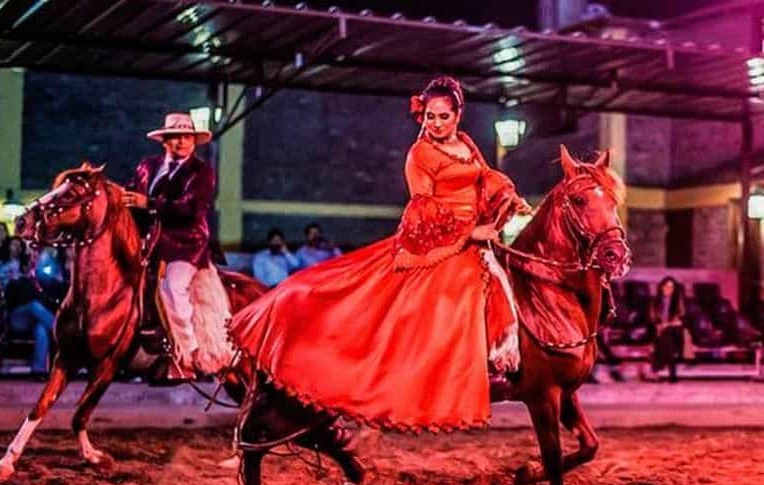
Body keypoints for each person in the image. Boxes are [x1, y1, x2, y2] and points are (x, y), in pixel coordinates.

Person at [228, 76, 532, 431]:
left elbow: (484, 180)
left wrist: (505, 198)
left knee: (510, 285)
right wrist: (469, 231)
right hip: (441, 242)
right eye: (430, 117)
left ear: (458, 114)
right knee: (459, 293)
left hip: (478, 239)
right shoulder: (420, 154)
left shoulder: (466, 143)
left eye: (443, 117)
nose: (435, 124)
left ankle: (508, 369)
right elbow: (423, 210)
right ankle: (444, 380)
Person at [122, 112, 218, 380]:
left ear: (194, 141)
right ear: (164, 141)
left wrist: (150, 204)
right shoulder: (147, 166)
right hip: (150, 243)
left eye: (186, 137)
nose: (181, 143)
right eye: (175, 138)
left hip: (185, 244)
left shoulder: (202, 172)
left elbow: (191, 210)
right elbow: (131, 196)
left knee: (173, 288)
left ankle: (190, 355)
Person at [0, 237, 54, 379]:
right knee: (34, 307)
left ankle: (39, 370)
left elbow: (38, 281)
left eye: (19, 245)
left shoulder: (25, 265)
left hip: (30, 311)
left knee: (41, 328)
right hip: (13, 312)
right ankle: (59, 330)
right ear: (7, 246)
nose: (17, 247)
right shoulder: (0, 265)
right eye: (14, 244)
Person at [648, 276, 687, 383]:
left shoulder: (677, 300)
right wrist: (660, 326)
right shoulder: (655, 301)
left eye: (671, 287)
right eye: (667, 286)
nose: (669, 289)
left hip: (674, 329)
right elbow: (653, 318)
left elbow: (679, 318)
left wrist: (667, 325)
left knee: (667, 336)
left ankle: (658, 367)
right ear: (661, 287)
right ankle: (672, 373)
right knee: (666, 341)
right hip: (661, 330)